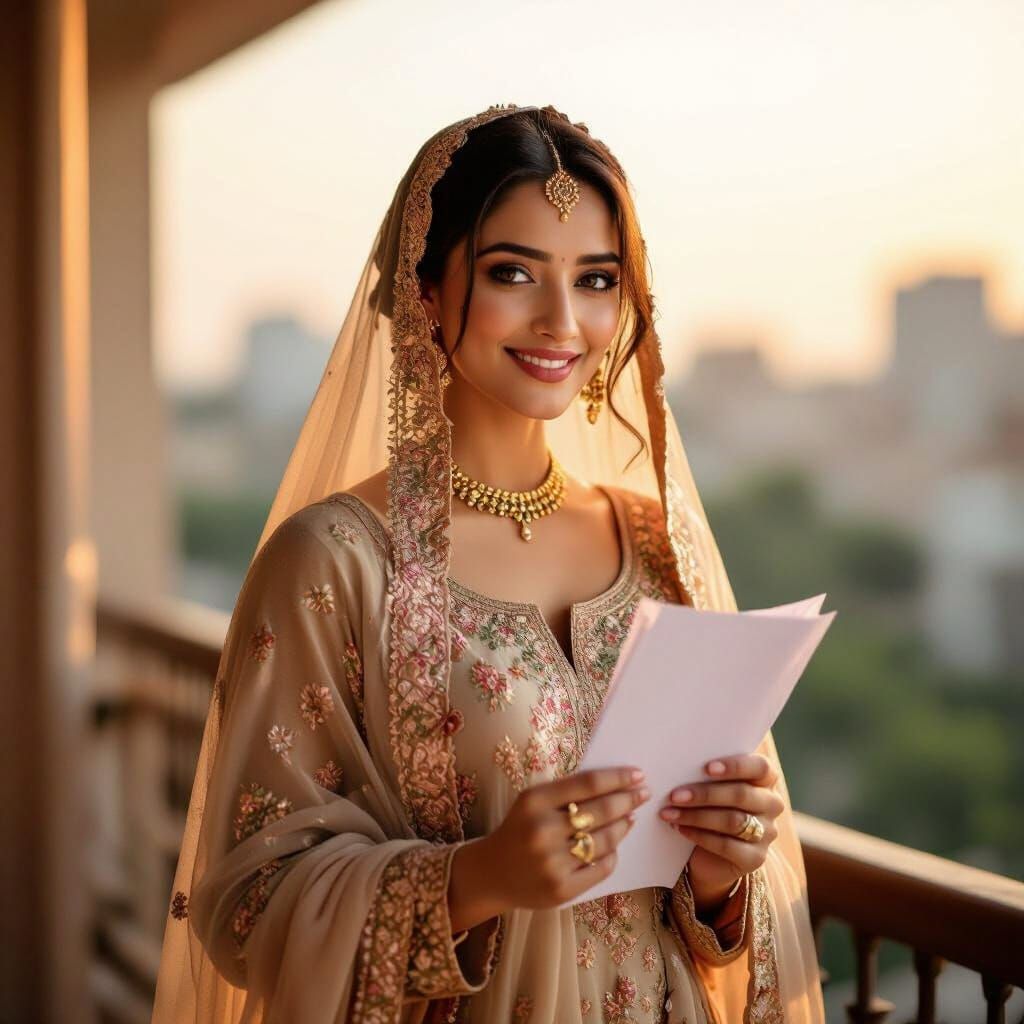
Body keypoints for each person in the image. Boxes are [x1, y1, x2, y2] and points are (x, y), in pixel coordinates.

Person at [151, 103, 825, 1024]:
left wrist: (718, 877)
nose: (562, 321)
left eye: (596, 280)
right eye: (513, 272)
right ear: (424, 290)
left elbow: (700, 913)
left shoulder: (656, 546)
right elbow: (247, 907)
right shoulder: (337, 562)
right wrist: (478, 877)